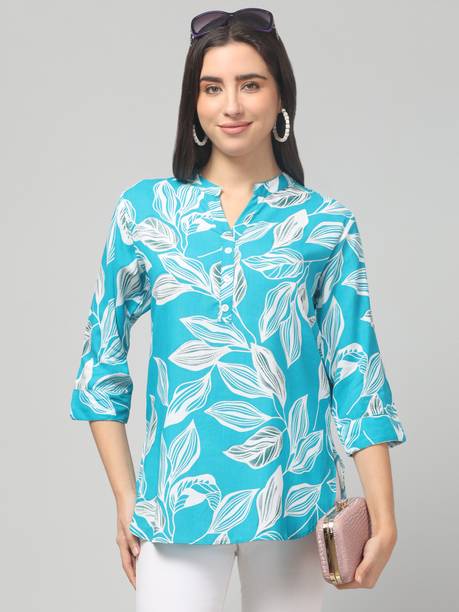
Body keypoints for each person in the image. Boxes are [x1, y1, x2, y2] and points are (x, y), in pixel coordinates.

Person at [69, 8, 407, 611]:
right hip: (177, 503)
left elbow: (358, 370)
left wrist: (384, 516)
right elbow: (101, 361)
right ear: (193, 103)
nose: (231, 105)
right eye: (212, 87)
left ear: (281, 97)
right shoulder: (145, 212)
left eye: (250, 84)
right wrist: (126, 498)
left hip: (295, 503)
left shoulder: (324, 222)